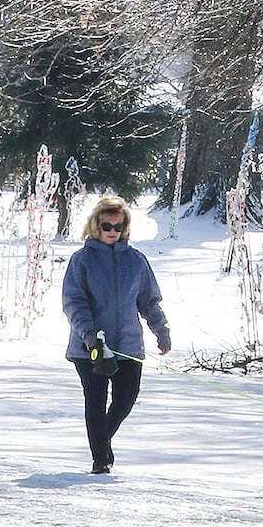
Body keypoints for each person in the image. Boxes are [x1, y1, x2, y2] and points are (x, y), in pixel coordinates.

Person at [61, 194, 171, 473]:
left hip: (128, 346)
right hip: (91, 348)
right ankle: (100, 460)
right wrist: (89, 337)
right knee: (96, 402)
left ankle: (101, 439)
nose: (112, 232)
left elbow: (148, 301)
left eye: (118, 227)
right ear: (96, 226)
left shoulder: (136, 261)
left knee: (125, 400)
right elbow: (74, 303)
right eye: (107, 226)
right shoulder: (81, 260)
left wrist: (161, 331)